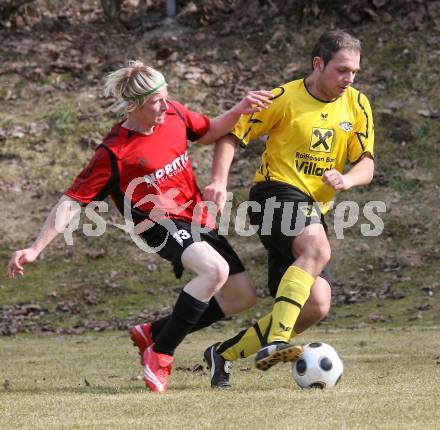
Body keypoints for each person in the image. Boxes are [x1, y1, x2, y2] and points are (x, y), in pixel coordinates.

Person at [5, 60, 273, 393]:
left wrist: (240, 108)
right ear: (134, 105)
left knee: (240, 297)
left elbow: (209, 132)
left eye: (165, 96)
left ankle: (154, 333)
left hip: (195, 218)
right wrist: (35, 248)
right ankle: (160, 354)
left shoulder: (172, 114)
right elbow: (72, 201)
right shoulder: (115, 152)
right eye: (156, 101)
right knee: (215, 270)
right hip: (157, 224)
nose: (166, 104)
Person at [202, 29, 375, 387]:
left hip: (314, 207)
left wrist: (348, 179)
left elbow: (367, 164)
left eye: (354, 72)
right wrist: (219, 181)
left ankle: (222, 354)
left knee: (316, 305)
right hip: (273, 194)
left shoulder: (357, 105)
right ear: (318, 63)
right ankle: (278, 340)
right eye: (342, 70)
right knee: (316, 248)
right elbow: (231, 135)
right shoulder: (283, 98)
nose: (349, 78)